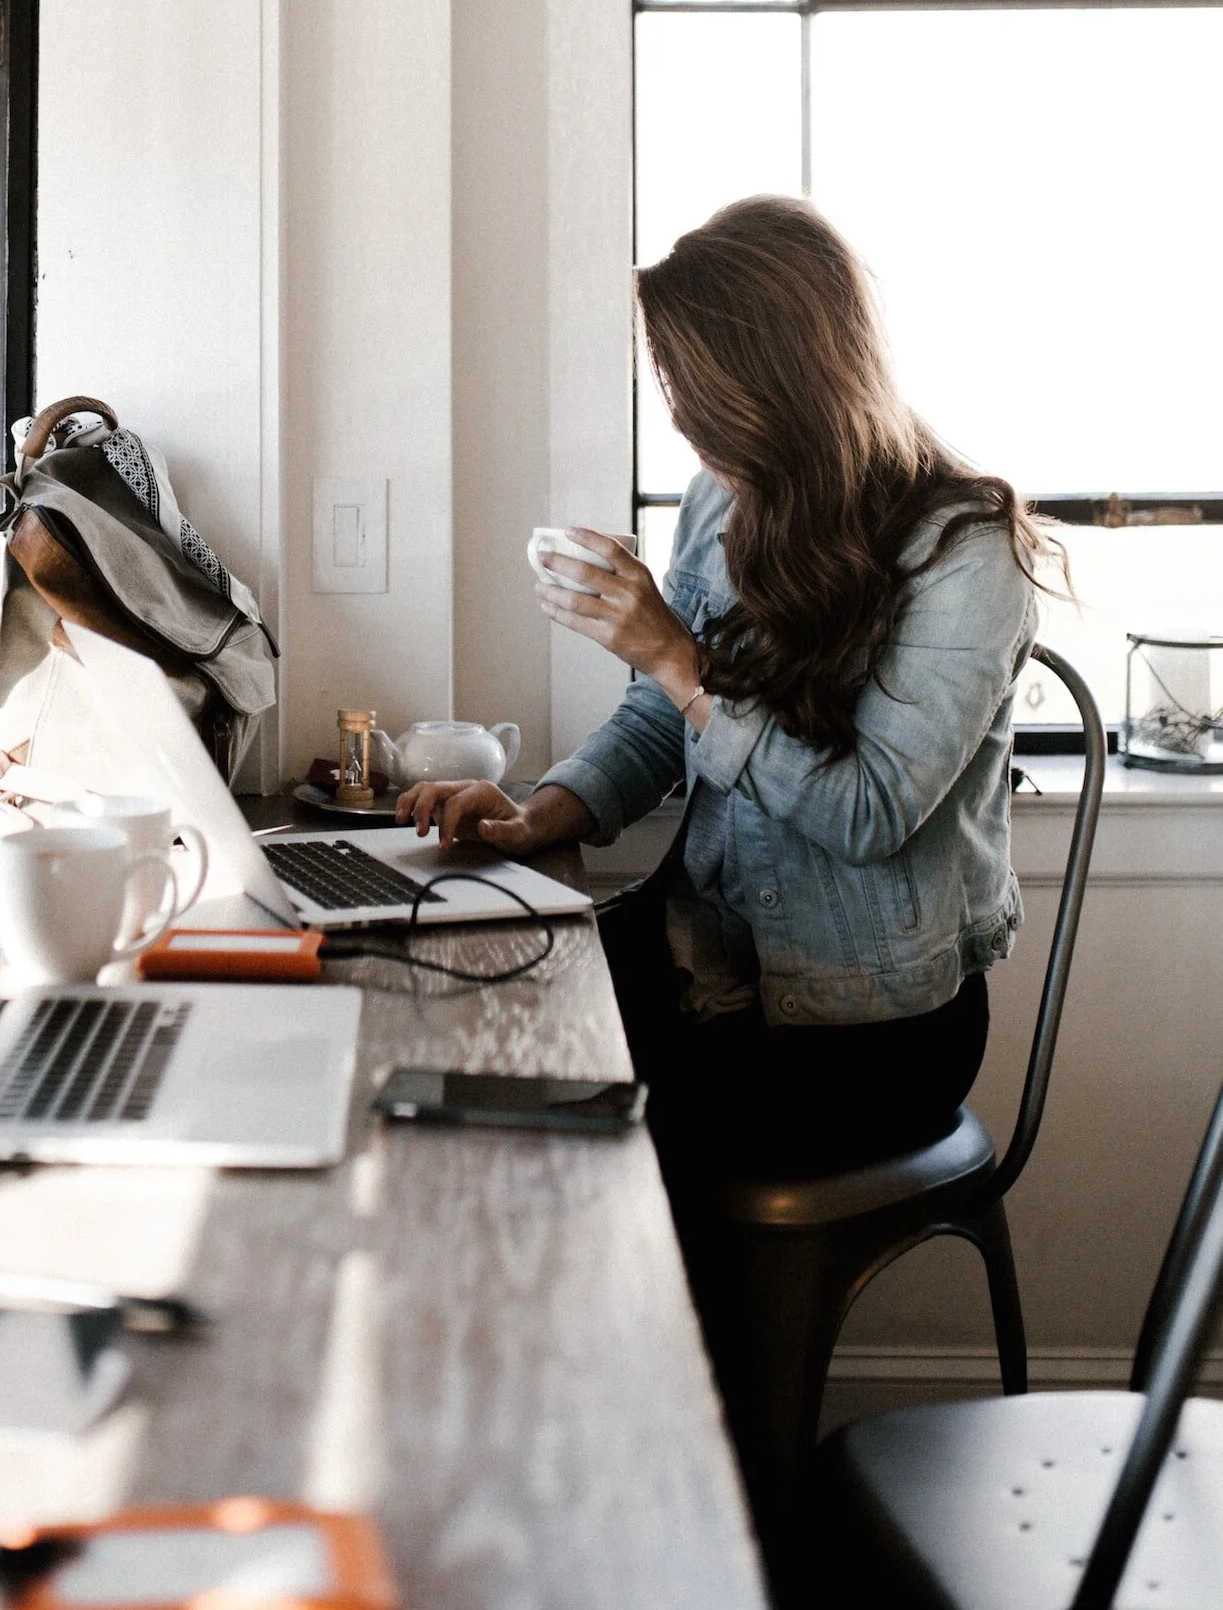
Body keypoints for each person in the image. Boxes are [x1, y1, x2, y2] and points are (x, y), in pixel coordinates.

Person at [396, 194, 1058, 1194]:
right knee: (452, 1022)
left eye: (688, 383)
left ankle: (643, 1345)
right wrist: (538, 816)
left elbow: (866, 811)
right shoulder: (723, 496)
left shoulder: (965, 552)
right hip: (706, 963)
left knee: (546, 1148)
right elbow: (662, 717)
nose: (675, 410)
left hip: (864, 1030)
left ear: (776, 378)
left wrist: (675, 656)